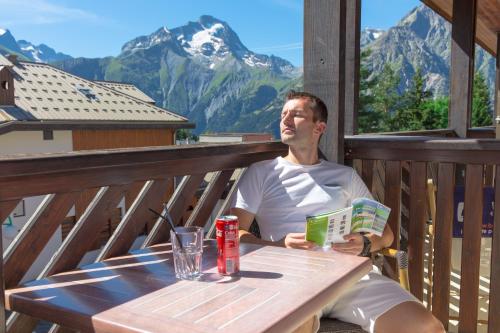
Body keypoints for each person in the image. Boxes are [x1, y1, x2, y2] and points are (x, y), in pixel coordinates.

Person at [230, 91, 445, 333]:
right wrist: (278, 245)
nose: (286, 120)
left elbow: (385, 235)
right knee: (290, 326)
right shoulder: (261, 172)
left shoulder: (344, 176)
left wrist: (364, 244)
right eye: (283, 115)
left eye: (297, 115)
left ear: (319, 127)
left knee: (428, 327)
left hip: (348, 279)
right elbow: (231, 234)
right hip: (291, 279)